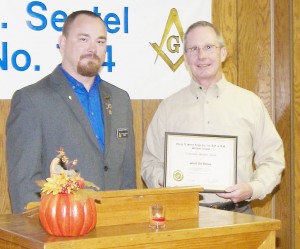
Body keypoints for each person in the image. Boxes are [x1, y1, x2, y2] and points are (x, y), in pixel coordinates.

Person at [141, 21, 285, 214]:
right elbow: (150, 163)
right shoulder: (168, 108)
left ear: (222, 53)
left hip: (238, 214)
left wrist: (253, 188)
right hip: (184, 215)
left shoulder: (250, 103)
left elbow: (272, 158)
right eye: (193, 49)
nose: (201, 56)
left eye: (209, 47)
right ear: (185, 58)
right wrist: (161, 179)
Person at [6, 10, 136, 213]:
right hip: (61, 234)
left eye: (100, 42)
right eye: (84, 39)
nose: (93, 48)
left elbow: (127, 179)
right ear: (62, 42)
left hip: (116, 230)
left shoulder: (120, 99)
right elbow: (24, 188)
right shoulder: (32, 100)